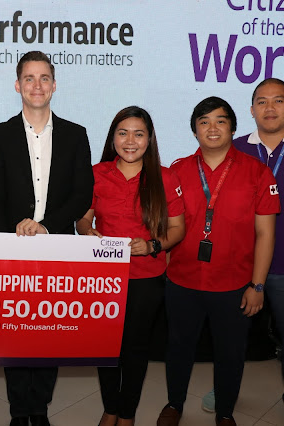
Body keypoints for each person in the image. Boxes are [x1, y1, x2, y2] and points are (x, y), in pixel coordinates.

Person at [200, 78, 284, 426]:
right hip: (240, 265)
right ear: (251, 110)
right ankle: (225, 389)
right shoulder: (235, 149)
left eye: (278, 101)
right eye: (261, 101)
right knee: (231, 337)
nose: (270, 108)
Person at [0, 51, 94, 426]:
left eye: (44, 78)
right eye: (29, 78)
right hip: (10, 250)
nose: (37, 85)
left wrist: (47, 227)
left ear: (54, 85)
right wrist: (9, 240)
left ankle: (40, 408)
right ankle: (18, 411)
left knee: (49, 331)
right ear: (18, 85)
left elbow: (82, 195)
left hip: (57, 248)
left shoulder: (76, 135)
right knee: (14, 332)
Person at [155, 97, 280, 426]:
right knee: (178, 348)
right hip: (182, 280)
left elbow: (266, 234)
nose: (212, 128)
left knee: (231, 352)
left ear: (233, 128)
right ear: (194, 130)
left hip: (235, 284)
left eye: (220, 121)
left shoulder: (258, 172)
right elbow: (165, 227)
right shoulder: (177, 171)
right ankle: (174, 404)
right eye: (204, 121)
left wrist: (258, 285)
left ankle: (225, 412)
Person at [76, 106, 185, 426]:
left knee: (135, 349)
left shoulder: (165, 177)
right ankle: (110, 408)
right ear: (113, 138)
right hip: (103, 277)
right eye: (123, 133)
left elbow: (177, 228)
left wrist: (152, 245)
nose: (130, 141)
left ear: (149, 139)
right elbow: (83, 218)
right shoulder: (97, 173)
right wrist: (86, 230)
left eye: (139, 134)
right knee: (105, 347)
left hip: (146, 277)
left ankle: (127, 414)